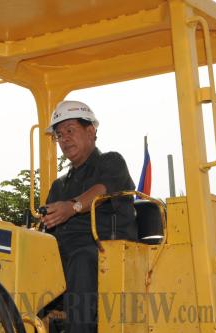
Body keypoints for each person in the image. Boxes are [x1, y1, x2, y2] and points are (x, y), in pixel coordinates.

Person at [41, 100, 137, 333]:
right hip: (66, 256)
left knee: (82, 258)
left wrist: (72, 207)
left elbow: (102, 189)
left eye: (70, 130)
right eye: (59, 134)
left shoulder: (111, 162)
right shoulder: (59, 185)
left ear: (91, 131)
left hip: (108, 252)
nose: (64, 139)